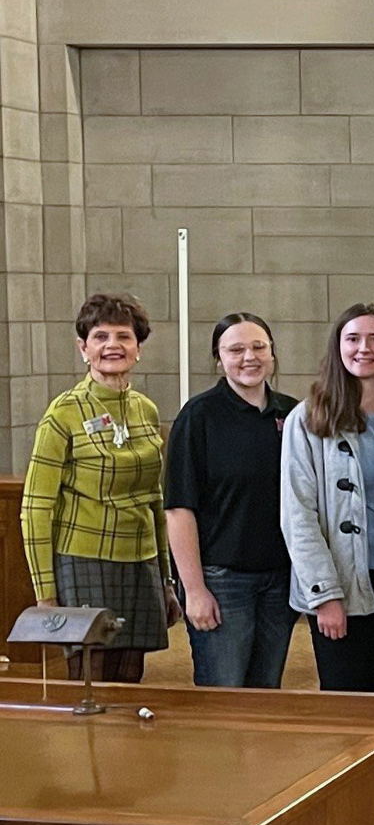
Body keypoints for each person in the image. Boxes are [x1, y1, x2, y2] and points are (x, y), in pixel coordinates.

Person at [21, 293, 179, 682]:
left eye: (124, 336)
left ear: (138, 348)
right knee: (90, 681)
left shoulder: (147, 409)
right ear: (83, 348)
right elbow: (36, 508)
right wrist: (45, 594)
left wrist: (166, 579)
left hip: (140, 562)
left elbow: (154, 500)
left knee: (129, 678)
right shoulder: (63, 413)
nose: (113, 346)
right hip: (83, 560)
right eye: (100, 336)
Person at [282, 303, 374, 693]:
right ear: (337, 347)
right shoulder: (307, 418)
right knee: (347, 702)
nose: (364, 348)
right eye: (353, 339)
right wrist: (324, 595)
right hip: (340, 583)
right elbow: (297, 513)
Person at [166, 313, 300, 688]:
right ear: (218, 357)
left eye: (259, 347)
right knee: (222, 698)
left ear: (272, 354)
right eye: (235, 349)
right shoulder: (199, 416)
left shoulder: (292, 414)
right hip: (222, 582)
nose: (249, 357)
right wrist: (194, 590)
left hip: (281, 582)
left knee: (266, 696)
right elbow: (179, 510)